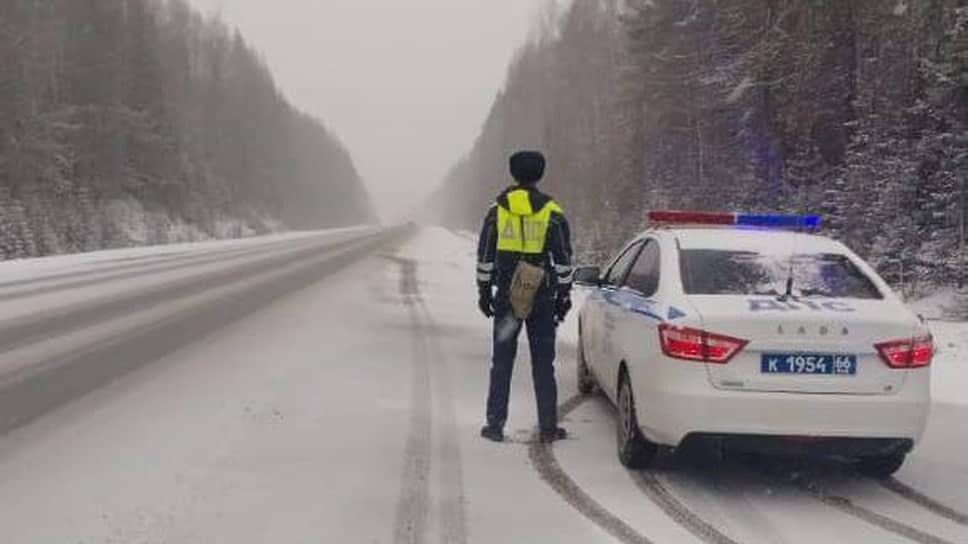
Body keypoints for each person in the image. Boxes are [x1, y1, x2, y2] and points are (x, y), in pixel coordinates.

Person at [476, 150, 574, 443]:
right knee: (543, 363)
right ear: (540, 174)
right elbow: (563, 258)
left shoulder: (497, 210)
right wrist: (563, 295)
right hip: (541, 296)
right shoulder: (552, 212)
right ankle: (547, 427)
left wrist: (483, 290)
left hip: (508, 296)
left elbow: (485, 254)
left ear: (513, 173)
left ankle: (494, 425)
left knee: (502, 361)